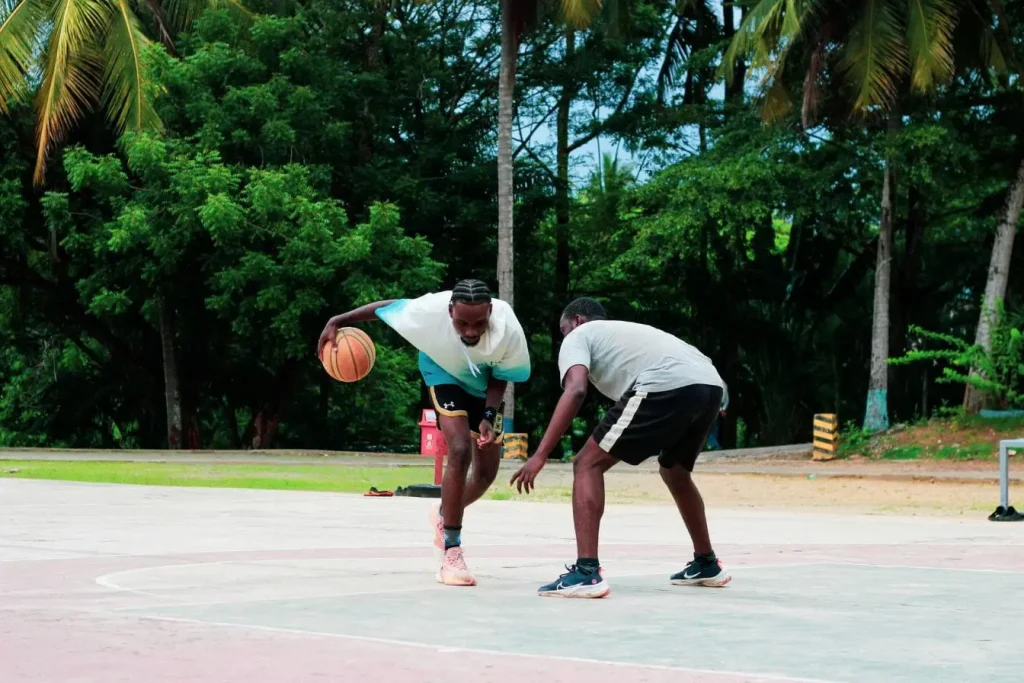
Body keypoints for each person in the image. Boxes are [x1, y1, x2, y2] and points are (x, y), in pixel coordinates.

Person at [509, 297, 729, 598]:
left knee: (586, 463)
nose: (565, 338)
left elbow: (575, 390)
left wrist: (540, 454)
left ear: (577, 321)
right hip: (710, 385)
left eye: (564, 330)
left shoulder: (580, 335)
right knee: (675, 471)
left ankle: (587, 572)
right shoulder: (630, 334)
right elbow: (698, 364)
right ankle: (707, 563)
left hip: (666, 382)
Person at [318, 279, 530, 587]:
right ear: (449, 312)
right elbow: (383, 309)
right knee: (458, 451)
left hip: (483, 386)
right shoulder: (428, 310)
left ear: (491, 313)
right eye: (462, 323)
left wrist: (487, 415)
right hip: (442, 372)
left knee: (485, 475)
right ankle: (452, 550)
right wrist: (337, 320)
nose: (470, 331)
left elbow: (502, 376)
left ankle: (444, 510)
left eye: (479, 324)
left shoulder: (507, 326)